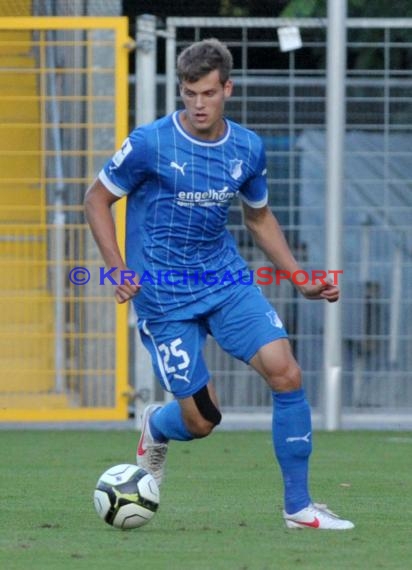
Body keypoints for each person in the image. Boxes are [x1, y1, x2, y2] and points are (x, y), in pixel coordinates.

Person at [84, 38, 354, 530]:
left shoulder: (247, 147)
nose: (199, 104)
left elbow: (259, 217)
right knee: (203, 422)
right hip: (164, 299)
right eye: (189, 94)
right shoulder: (150, 143)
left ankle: (299, 509)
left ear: (227, 88)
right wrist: (117, 268)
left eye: (208, 93)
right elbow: (96, 199)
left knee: (286, 372)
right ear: (181, 92)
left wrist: (300, 279)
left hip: (225, 280)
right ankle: (157, 425)